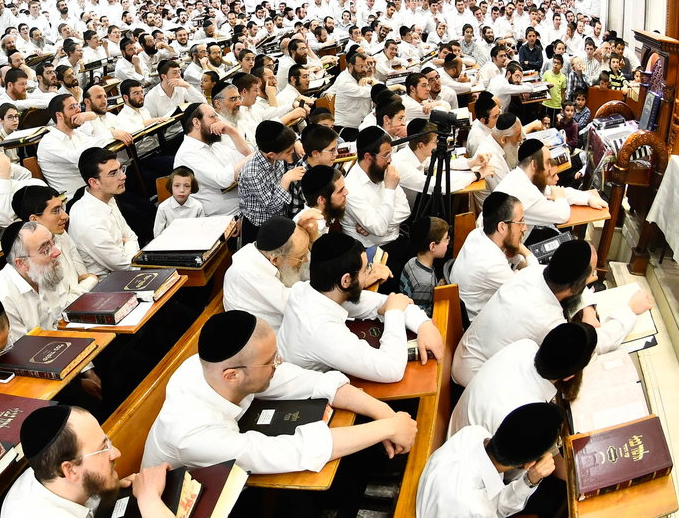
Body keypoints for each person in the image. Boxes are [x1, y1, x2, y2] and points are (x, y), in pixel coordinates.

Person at [143, 309, 417, 474]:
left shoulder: (215, 367)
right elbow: (294, 451)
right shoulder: (190, 433)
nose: (280, 363)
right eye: (271, 360)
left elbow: (313, 382)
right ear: (233, 375)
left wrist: (385, 414)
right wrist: (388, 429)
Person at [453, 240, 651, 386]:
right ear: (577, 284)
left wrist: (588, 309)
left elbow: (573, 291)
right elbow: (594, 344)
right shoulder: (548, 322)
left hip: (465, 357)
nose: (594, 277)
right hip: (475, 381)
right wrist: (630, 310)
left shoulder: (531, 273)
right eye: (591, 275)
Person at [279, 232, 444, 383]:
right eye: (366, 270)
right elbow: (391, 369)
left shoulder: (314, 288)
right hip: (309, 397)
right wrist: (394, 312)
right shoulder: (320, 330)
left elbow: (388, 302)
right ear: (346, 280)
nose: (369, 274)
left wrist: (425, 325)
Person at [3, 405, 177, 518]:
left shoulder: (50, 472)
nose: (116, 453)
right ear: (69, 470)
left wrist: (111, 490)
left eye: (108, 442)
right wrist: (149, 499)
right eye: (103, 449)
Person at [448, 322, 596, 438]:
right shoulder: (530, 413)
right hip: (470, 461)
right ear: (569, 377)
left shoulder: (524, 346)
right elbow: (515, 470)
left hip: (457, 429)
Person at [417, 403, 563, 518]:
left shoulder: (473, 433)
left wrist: (531, 479)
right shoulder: (475, 509)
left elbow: (494, 503)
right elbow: (496, 509)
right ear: (529, 464)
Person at [489, 138, 605, 229]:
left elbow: (556, 191)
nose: (550, 168)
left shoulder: (520, 176)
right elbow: (562, 216)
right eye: (547, 163)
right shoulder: (524, 190)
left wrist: (588, 198)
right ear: (534, 165)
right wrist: (560, 198)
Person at [450, 192, 531, 314]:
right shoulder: (491, 264)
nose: (525, 228)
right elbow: (530, 292)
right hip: (481, 321)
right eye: (520, 222)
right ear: (502, 227)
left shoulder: (477, 233)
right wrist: (526, 253)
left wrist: (519, 261)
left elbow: (512, 256)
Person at [66, 148, 140, 277]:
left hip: (125, 273)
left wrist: (127, 242)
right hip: (109, 286)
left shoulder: (107, 197)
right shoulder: (89, 221)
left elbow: (132, 237)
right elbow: (128, 266)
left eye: (120, 169)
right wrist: (128, 243)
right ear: (94, 182)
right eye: (113, 173)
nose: (123, 176)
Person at [173, 103, 251, 215]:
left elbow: (246, 159)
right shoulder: (187, 153)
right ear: (196, 123)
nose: (219, 121)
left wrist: (233, 133)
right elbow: (222, 180)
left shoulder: (213, 145)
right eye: (213, 116)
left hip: (243, 207)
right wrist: (255, 155)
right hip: (224, 217)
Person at [342, 126, 409, 250]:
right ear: (368, 157)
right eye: (386, 155)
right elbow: (379, 228)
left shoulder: (381, 169)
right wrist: (390, 189)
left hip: (395, 239)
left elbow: (405, 209)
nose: (390, 160)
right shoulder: (350, 188)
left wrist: (375, 226)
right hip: (368, 251)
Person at [237, 121, 306, 234]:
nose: (292, 152)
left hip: (280, 219)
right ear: (271, 154)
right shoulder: (252, 173)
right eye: (289, 151)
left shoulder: (276, 158)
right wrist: (286, 180)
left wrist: (296, 142)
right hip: (261, 227)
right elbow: (272, 208)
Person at [401, 216, 449, 315]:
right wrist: (436, 298)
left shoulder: (411, 261)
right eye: (445, 239)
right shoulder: (425, 284)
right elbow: (419, 314)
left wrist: (435, 289)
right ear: (432, 246)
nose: (448, 242)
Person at [154, 166, 205, 236]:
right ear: (171, 186)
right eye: (177, 185)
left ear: (192, 188)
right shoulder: (163, 208)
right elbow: (157, 235)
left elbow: (203, 231)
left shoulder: (198, 206)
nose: (181, 190)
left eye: (187, 186)